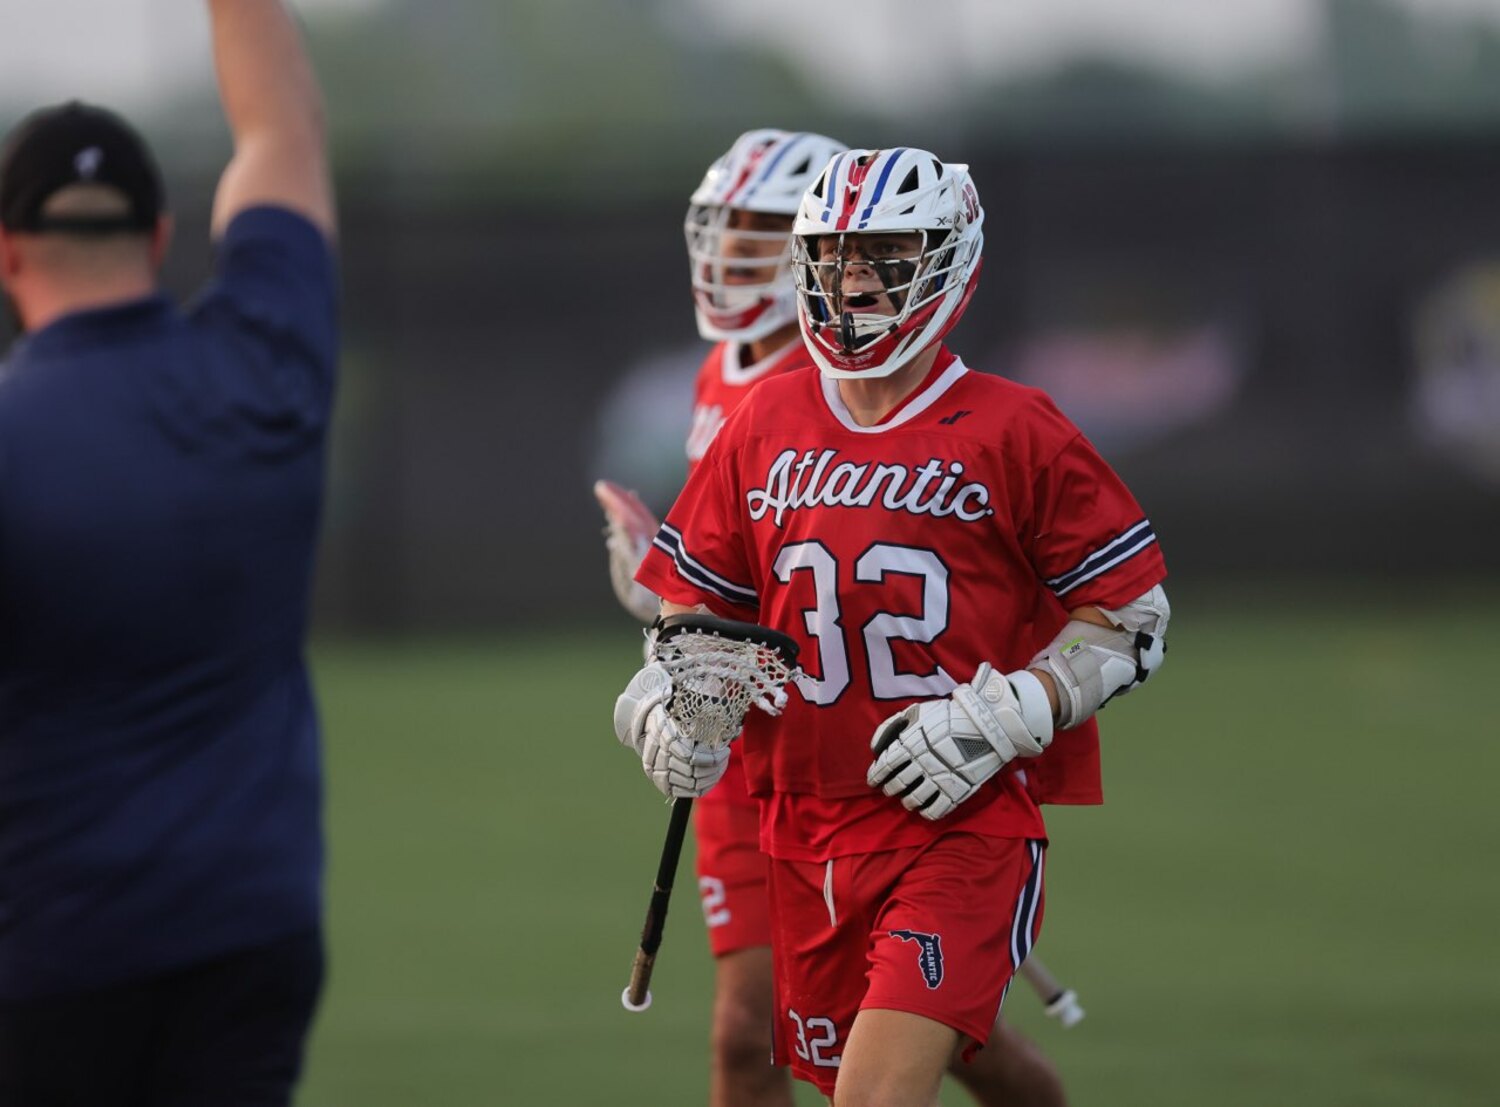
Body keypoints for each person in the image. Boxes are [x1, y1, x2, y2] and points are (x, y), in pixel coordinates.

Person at [614, 147, 1170, 1106]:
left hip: (960, 823)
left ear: (951, 256)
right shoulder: (762, 420)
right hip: (802, 827)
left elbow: (1131, 615)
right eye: (834, 255)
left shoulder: (1016, 427)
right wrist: (666, 706)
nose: (854, 280)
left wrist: (1008, 713)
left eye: (886, 252)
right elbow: (693, 605)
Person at [0, 3, 336, 1104]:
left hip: (47, 953)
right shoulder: (267, 370)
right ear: (157, 235)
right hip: (253, 935)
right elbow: (280, 135)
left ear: (6, 252)